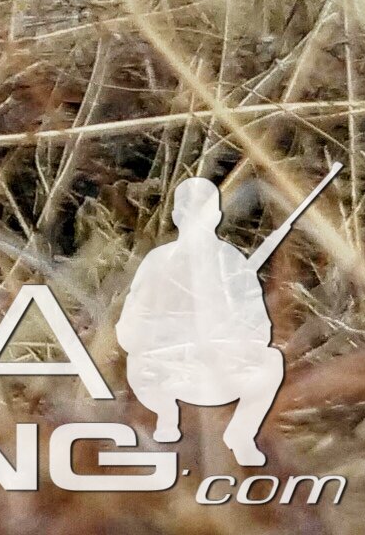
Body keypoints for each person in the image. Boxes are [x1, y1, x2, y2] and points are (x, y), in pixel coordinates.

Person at [115, 174, 288, 467]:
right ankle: (166, 420)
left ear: (217, 216)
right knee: (137, 364)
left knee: (271, 362)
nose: (197, 221)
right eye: (190, 213)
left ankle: (242, 434)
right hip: (167, 371)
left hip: (220, 368)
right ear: (177, 216)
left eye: (204, 213)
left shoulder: (231, 262)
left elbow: (259, 325)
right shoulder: (158, 261)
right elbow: (131, 325)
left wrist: (232, 337)